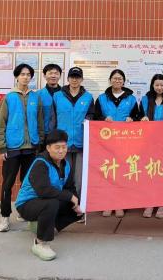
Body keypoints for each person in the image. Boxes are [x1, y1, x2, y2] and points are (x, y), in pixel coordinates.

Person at [15, 129, 82, 261]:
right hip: (27, 204)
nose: (61, 151)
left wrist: (77, 203)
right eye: (57, 147)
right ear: (48, 148)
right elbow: (43, 190)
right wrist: (70, 197)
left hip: (46, 201)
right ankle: (40, 243)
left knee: (77, 206)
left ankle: (48, 227)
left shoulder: (66, 165)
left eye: (64, 147)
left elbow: (70, 187)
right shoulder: (40, 163)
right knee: (52, 203)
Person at [0, 63, 44, 233]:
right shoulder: (9, 97)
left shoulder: (35, 97)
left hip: (31, 147)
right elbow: (1, 124)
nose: (26, 77)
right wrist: (1, 147)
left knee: (28, 182)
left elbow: (39, 122)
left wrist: (40, 142)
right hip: (12, 147)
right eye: (22, 74)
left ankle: (23, 211)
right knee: (7, 183)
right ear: (17, 76)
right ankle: (4, 216)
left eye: (28, 74)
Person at [95, 68, 139, 218]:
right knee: (108, 173)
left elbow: (137, 117)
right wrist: (103, 119)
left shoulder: (131, 99)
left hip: (125, 142)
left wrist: (132, 119)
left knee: (122, 173)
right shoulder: (101, 98)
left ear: (124, 81)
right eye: (114, 78)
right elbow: (96, 116)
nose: (117, 81)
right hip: (105, 142)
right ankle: (108, 203)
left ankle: (120, 204)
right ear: (110, 80)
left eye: (120, 79)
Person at [53, 67, 94, 201]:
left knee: (79, 177)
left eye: (77, 77)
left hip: (81, 141)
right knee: (63, 174)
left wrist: (87, 120)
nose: (75, 79)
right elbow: (53, 118)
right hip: (63, 142)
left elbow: (91, 116)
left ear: (81, 79)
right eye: (72, 77)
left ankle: (79, 203)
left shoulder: (88, 97)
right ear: (68, 79)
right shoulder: (57, 96)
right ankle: (65, 203)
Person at [139, 74, 163, 219]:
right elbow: (137, 116)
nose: (159, 87)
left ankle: (162, 203)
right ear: (152, 86)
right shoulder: (145, 99)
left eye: (162, 85)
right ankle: (149, 202)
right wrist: (142, 118)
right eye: (156, 85)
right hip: (148, 142)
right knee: (149, 173)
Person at [36, 64, 62, 150]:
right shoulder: (37, 95)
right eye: (50, 73)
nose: (53, 76)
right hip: (43, 135)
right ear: (44, 75)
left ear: (60, 76)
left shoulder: (66, 94)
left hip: (61, 133)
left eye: (56, 73)